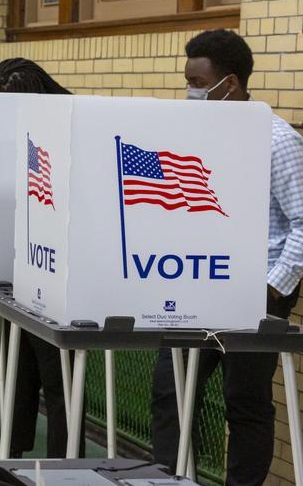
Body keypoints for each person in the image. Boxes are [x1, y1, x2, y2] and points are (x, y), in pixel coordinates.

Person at [149, 29, 303, 486]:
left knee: (245, 402)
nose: (190, 92)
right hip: (200, 283)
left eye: (197, 82)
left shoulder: (277, 141)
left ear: (229, 83)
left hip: (257, 293)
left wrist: (273, 286)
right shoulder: (201, 136)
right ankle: (165, 480)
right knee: (170, 391)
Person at [0, 58, 74, 458]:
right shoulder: (29, 125)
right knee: (18, 370)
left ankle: (64, 466)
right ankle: (12, 454)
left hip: (60, 274)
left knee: (59, 380)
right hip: (22, 267)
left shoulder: (67, 127)